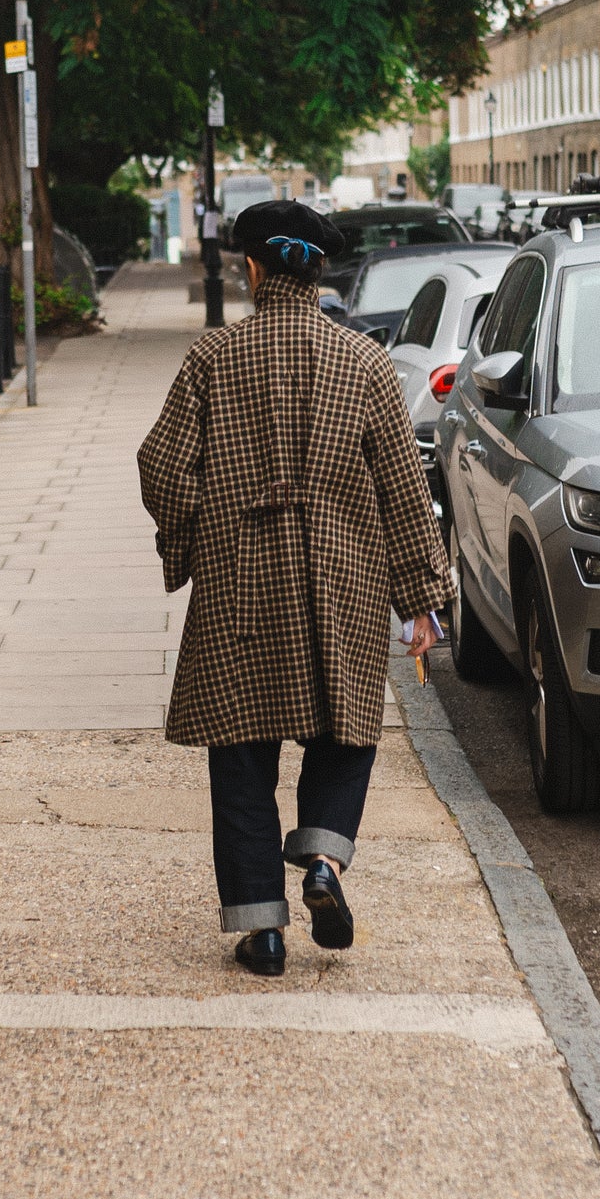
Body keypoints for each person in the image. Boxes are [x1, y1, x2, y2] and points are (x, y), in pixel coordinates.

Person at [138, 199, 451, 976]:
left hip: (239, 584)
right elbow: (402, 490)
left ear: (251, 268)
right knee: (345, 734)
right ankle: (322, 865)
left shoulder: (212, 357)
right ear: (319, 272)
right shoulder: (367, 363)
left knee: (240, 757)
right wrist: (419, 594)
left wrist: (195, 538)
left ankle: (261, 931)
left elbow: (162, 466)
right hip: (342, 583)